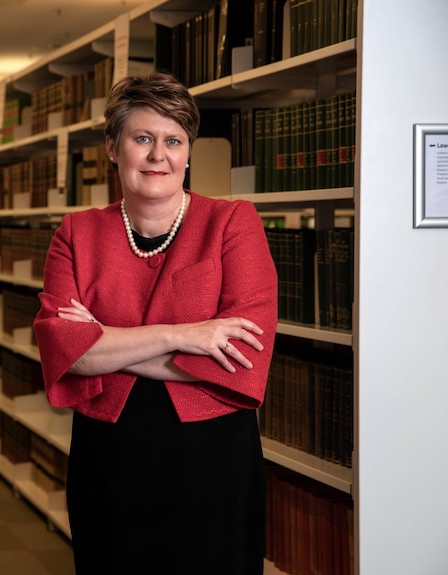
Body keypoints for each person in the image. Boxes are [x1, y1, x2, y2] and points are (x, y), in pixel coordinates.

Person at [32, 72, 278, 574]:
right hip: (110, 459)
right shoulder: (78, 233)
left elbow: (242, 362)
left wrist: (105, 339)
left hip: (214, 461)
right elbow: (66, 352)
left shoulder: (233, 223)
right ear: (112, 147)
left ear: (188, 151)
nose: (157, 155)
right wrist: (185, 335)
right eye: (142, 138)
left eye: (173, 141)